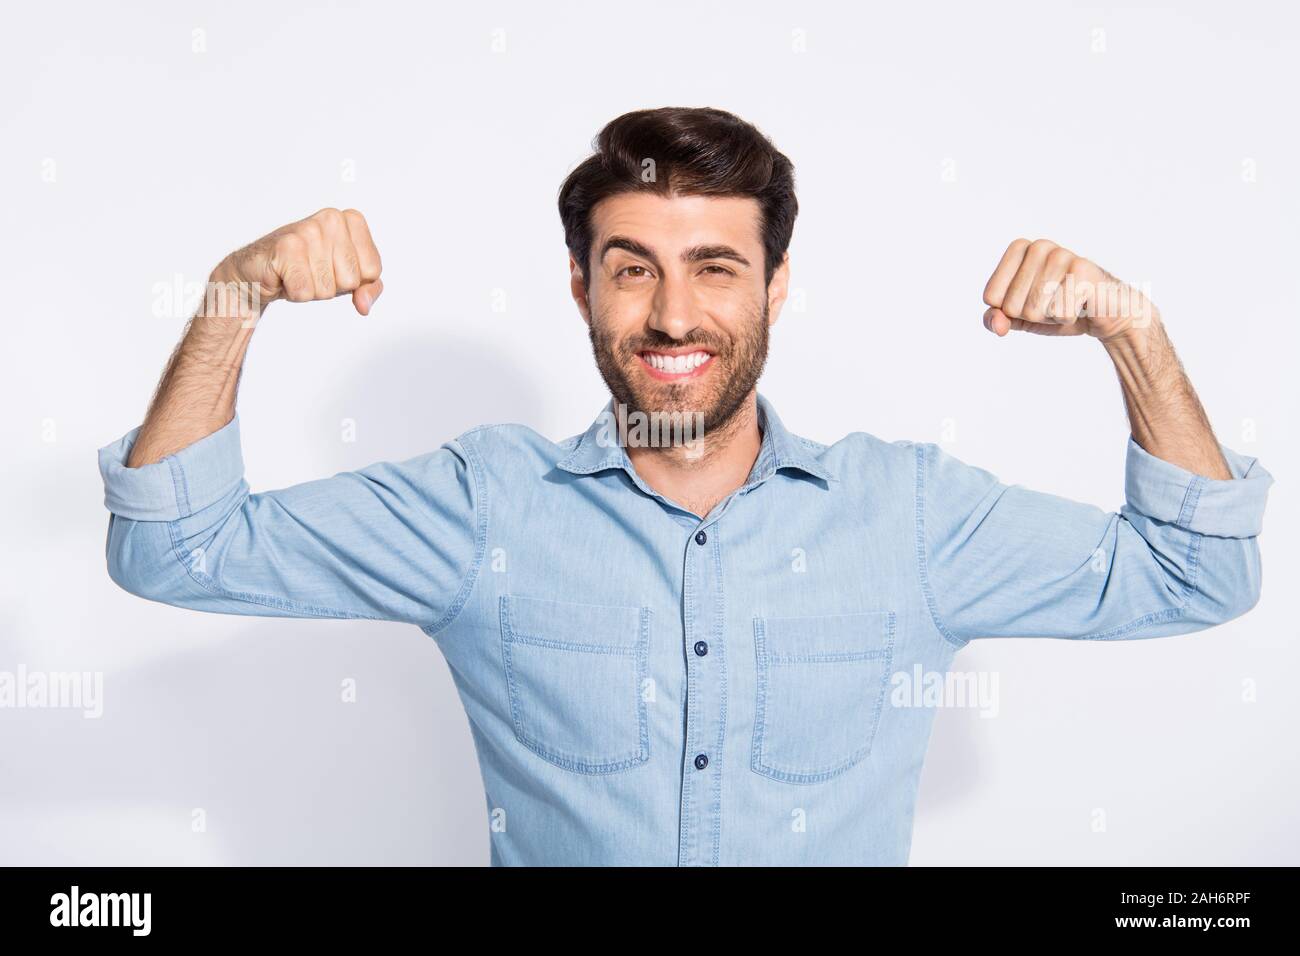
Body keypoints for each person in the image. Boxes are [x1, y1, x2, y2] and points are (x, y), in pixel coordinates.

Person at [98, 107, 1272, 866]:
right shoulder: (481, 507)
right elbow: (174, 549)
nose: (670, 314)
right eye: (630, 270)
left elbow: (1197, 573)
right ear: (578, 287)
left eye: (715, 267)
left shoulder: (909, 515)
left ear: (775, 284)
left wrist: (1135, 334)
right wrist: (232, 297)